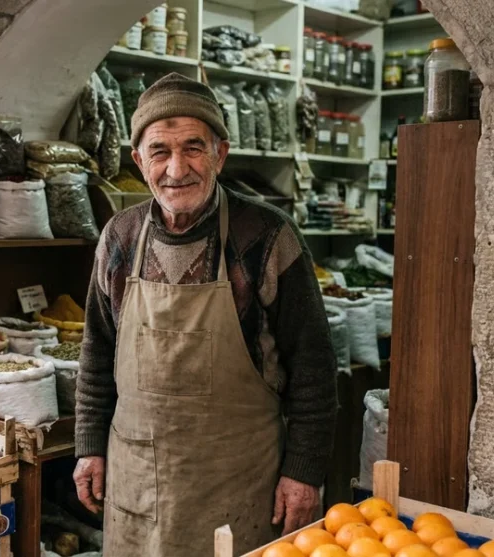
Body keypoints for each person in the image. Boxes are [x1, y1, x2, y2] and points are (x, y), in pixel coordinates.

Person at [72, 73, 338, 556]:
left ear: (220, 153)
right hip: (138, 484)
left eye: (193, 148)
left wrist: (303, 472)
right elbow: (97, 353)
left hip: (239, 486)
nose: (177, 169)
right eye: (160, 152)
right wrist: (89, 445)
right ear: (138, 160)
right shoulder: (119, 238)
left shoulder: (268, 237)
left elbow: (314, 368)